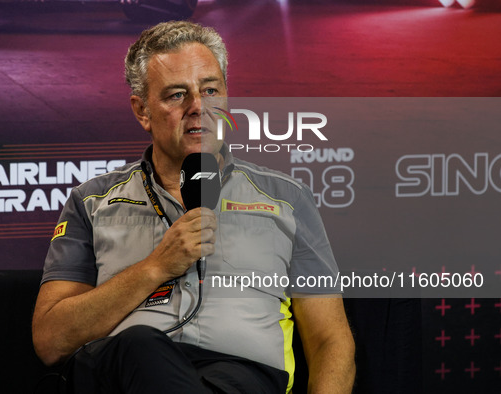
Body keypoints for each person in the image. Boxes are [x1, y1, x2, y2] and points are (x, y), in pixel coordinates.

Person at [32, 21, 355, 394]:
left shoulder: (287, 199)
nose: (198, 107)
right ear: (142, 111)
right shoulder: (90, 202)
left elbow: (331, 340)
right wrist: (155, 267)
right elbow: (52, 340)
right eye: (176, 95)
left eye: (210, 90)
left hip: (240, 379)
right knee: (140, 345)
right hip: (126, 372)